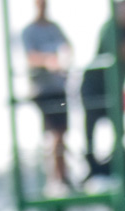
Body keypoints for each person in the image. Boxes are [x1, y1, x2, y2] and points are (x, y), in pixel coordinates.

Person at [80, 0, 125, 177]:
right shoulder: (110, 28)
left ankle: (118, 167)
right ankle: (91, 169)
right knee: (91, 129)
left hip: (115, 89)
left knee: (119, 130)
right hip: (94, 86)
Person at [21, 0, 73, 193]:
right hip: (42, 91)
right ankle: (56, 180)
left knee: (61, 133)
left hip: (59, 88)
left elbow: (67, 48)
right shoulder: (28, 31)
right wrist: (48, 61)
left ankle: (63, 177)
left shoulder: (55, 28)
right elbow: (31, 56)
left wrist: (63, 60)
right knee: (54, 134)